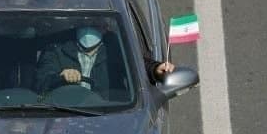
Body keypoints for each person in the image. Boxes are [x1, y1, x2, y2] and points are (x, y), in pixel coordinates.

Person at [37, 25, 175, 94]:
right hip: (63, 113)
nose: (89, 30)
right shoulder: (56, 50)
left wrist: (156, 70)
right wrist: (59, 77)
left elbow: (138, 65)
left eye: (94, 25)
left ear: (103, 29)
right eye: (85, 25)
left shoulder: (115, 51)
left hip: (107, 115)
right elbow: (41, 80)